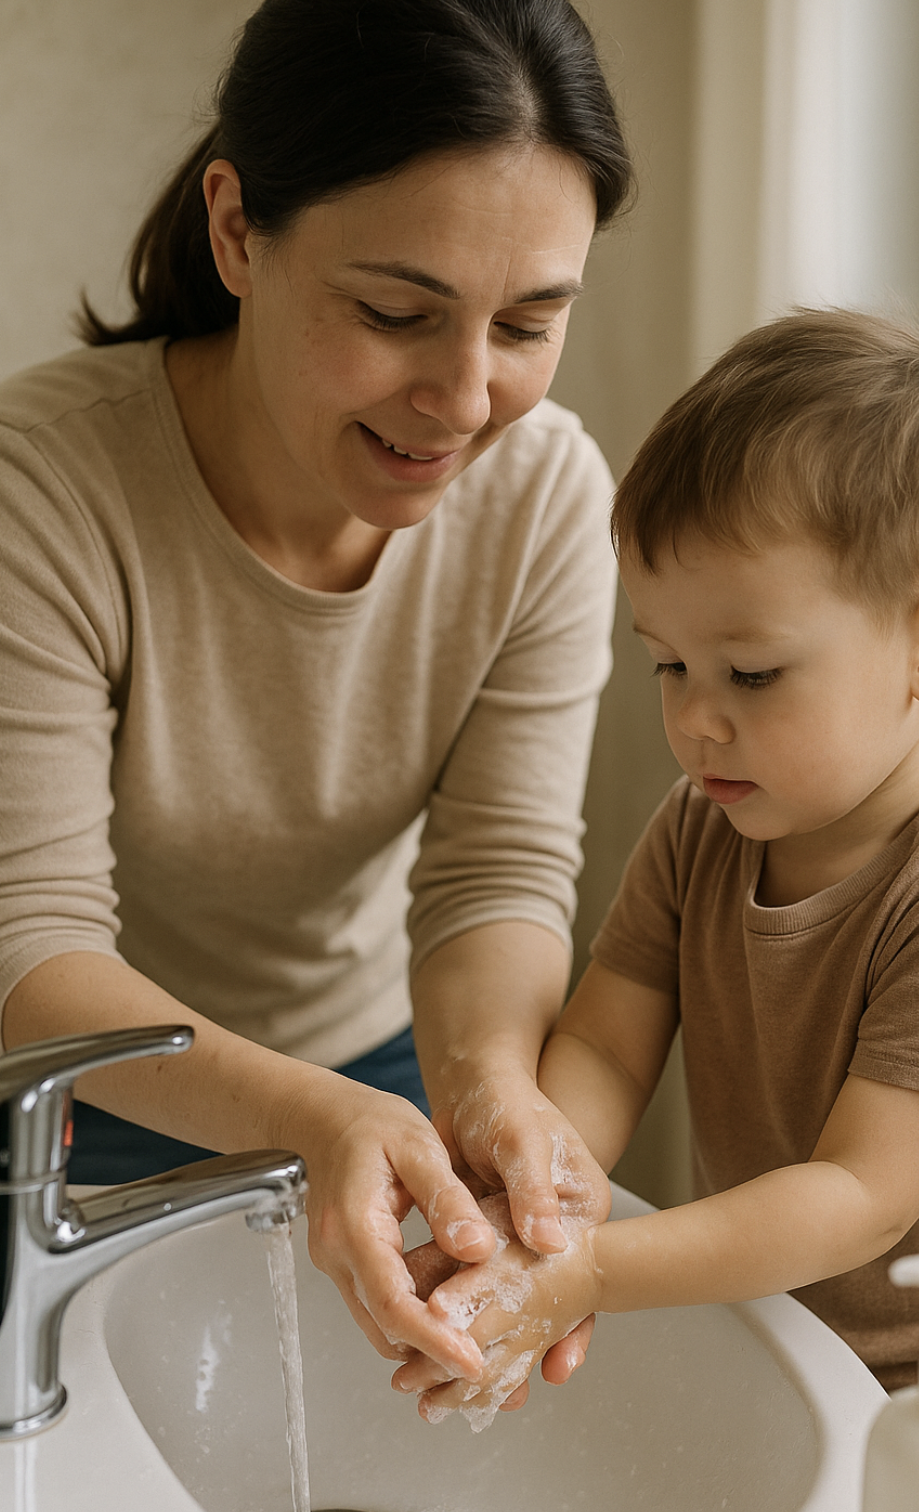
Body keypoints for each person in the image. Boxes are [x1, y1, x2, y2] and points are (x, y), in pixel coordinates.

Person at [0, 0, 633, 1385]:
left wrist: (495, 1095)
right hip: (67, 1092)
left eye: (527, 324)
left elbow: (497, 874)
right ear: (238, 231)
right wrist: (305, 1116)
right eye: (397, 314)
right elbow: (30, 951)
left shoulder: (545, 500)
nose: (462, 399)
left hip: (386, 1067)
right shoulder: (40, 493)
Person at [394, 308, 919, 1426]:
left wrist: (589, 1271)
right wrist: (540, 1208)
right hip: (777, 1342)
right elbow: (607, 1043)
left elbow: (858, 1196)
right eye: (668, 664)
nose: (695, 721)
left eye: (750, 675)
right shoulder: (704, 824)